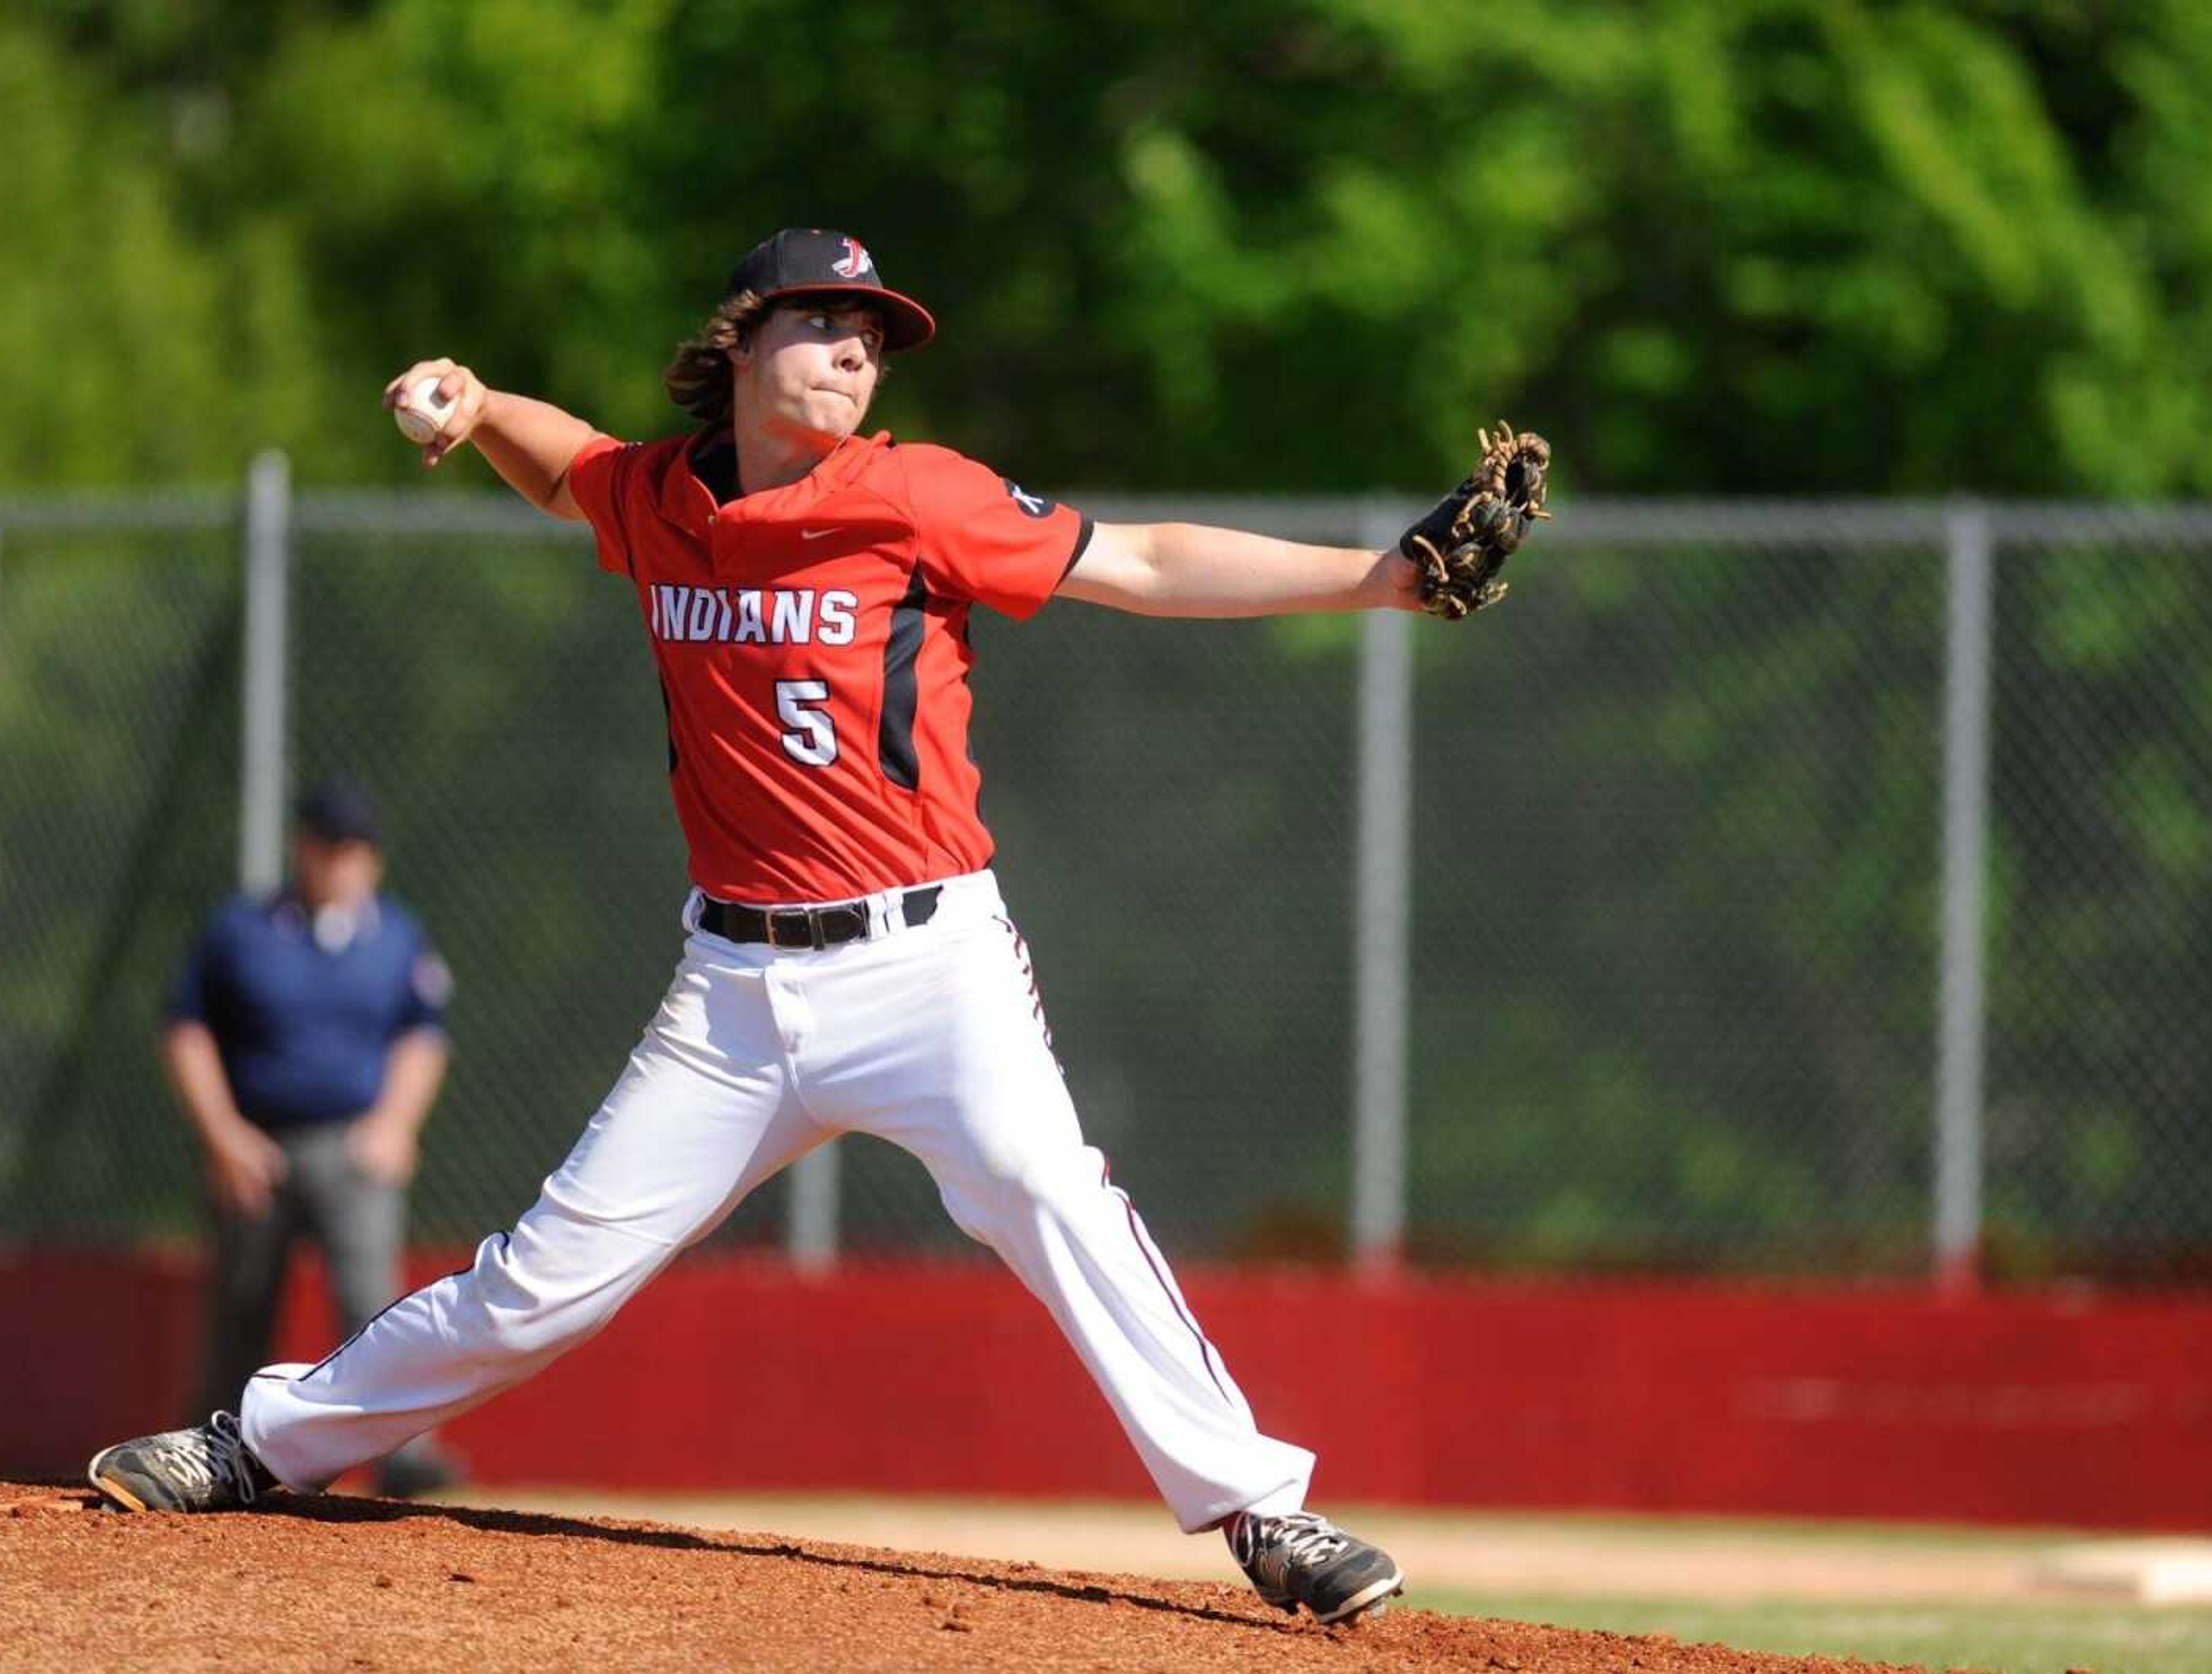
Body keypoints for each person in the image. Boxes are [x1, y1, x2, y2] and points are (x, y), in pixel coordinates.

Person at [88, 227, 1469, 1627]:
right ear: (740, 342)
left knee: (1054, 1195)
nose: (856, 350)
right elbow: (572, 469)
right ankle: (258, 1444)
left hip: (930, 968)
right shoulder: (667, 495)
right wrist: (482, 401)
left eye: (872, 336)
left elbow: (1152, 563)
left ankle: (1264, 1514)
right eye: (820, 322)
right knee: (543, 1285)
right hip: (735, 990)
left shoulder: (918, 496)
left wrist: (1381, 579)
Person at [160, 781, 464, 1500]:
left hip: (353, 1148)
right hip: (257, 1151)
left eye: (355, 850)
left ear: (373, 861)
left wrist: (395, 1124)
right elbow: (186, 1030)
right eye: (329, 847)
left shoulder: (396, 937)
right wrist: (223, 1135)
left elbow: (424, 1038)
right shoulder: (243, 930)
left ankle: (401, 1455)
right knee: (239, 1308)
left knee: (376, 1307)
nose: (341, 864)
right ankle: (212, 1453)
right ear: (303, 848)